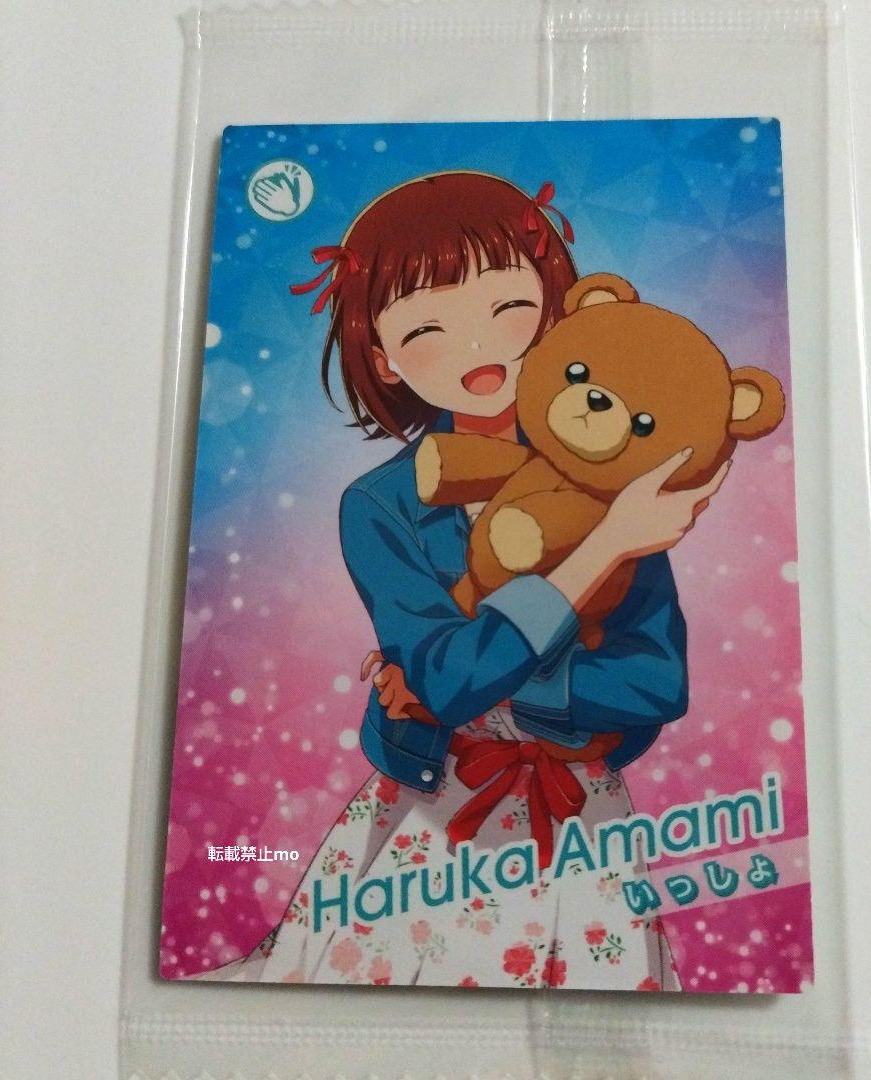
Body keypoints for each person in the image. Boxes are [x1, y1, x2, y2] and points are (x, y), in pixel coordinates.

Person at [206, 171, 728, 990]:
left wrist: (490, 688)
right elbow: (446, 681)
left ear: (556, 312)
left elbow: (654, 682)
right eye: (427, 328)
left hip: (580, 819)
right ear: (382, 356)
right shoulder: (382, 503)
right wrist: (602, 550)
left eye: (507, 308)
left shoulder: (615, 473)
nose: (477, 346)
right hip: (431, 812)